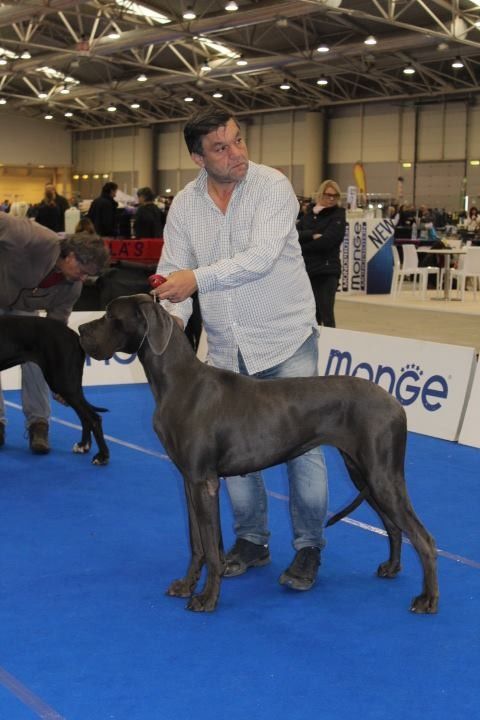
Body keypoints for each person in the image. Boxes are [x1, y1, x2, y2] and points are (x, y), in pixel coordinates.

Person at [152, 109, 328, 592]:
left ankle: (309, 547)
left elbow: (260, 259)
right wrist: (170, 322)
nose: (236, 154)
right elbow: (172, 270)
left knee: (304, 450)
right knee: (232, 453)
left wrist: (194, 279)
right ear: (198, 158)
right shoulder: (184, 206)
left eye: (238, 140)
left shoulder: (272, 186)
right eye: (221, 147)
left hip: (286, 339)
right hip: (227, 348)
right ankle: (251, 541)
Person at [0, 212, 110, 453]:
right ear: (70, 256)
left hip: (22, 309)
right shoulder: (33, 237)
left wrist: (61, 380)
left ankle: (38, 423)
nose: (83, 279)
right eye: (82, 271)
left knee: (38, 354)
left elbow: (54, 330)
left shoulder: (73, 288)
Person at [297, 180, 346, 327]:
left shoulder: (338, 215)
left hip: (327, 271)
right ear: (320, 194)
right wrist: (312, 235)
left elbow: (329, 241)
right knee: (311, 315)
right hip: (308, 271)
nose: (331, 198)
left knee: (327, 314)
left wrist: (304, 245)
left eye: (335, 196)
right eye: (328, 195)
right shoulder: (309, 215)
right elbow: (295, 236)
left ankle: (331, 341)